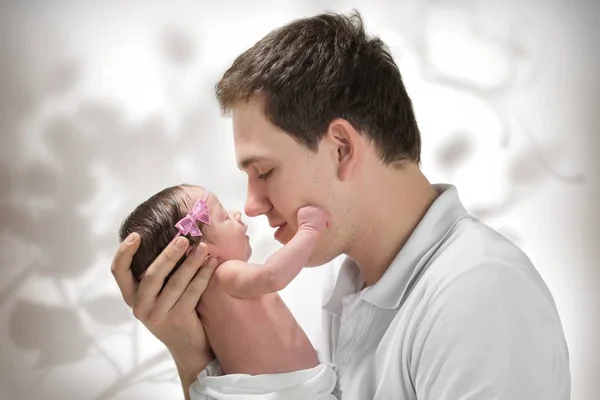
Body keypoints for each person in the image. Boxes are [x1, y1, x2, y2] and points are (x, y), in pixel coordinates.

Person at [111, 10, 571, 400]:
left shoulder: (479, 298)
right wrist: (194, 354)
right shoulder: (331, 279)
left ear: (341, 149)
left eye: (265, 171)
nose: (251, 206)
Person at [117, 183, 337, 395]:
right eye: (224, 217)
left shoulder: (200, 305)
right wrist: (309, 230)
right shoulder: (226, 275)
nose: (237, 214)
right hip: (285, 391)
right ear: (203, 251)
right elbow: (273, 275)